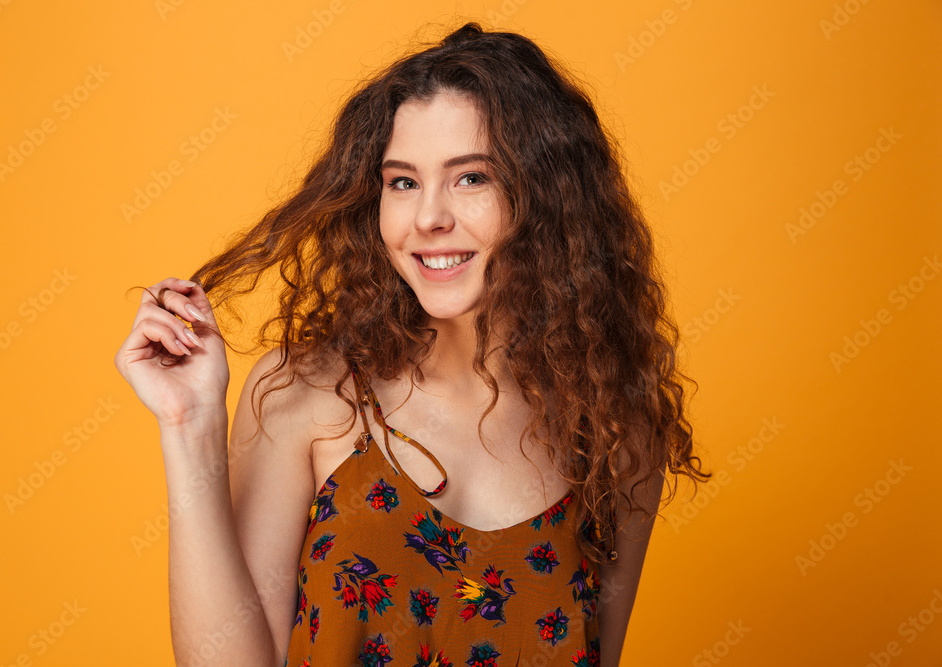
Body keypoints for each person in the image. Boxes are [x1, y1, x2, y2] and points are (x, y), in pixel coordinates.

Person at [115, 21, 710, 667]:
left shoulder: (617, 428)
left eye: (471, 178)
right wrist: (188, 424)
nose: (428, 217)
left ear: (550, 198)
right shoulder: (307, 393)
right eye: (402, 182)